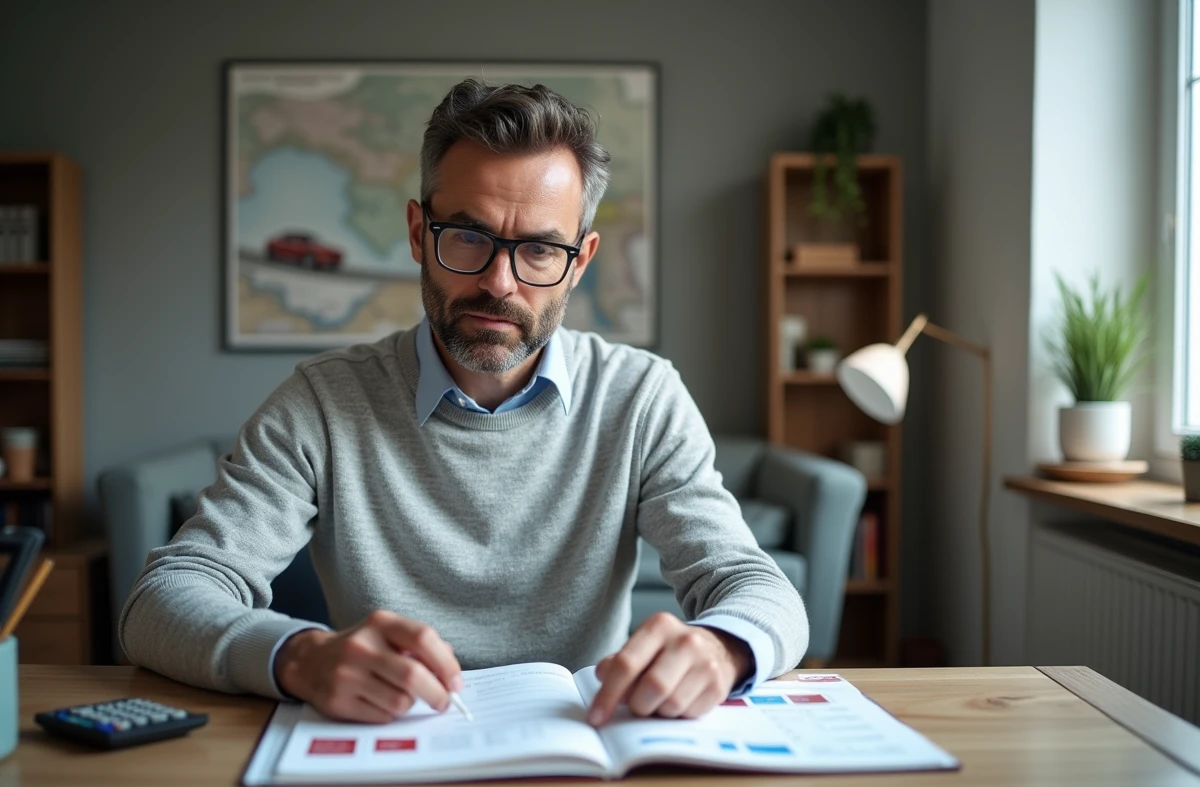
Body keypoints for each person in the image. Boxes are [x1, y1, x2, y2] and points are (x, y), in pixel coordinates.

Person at [120, 78, 808, 727]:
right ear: (420, 233)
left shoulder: (641, 397)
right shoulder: (322, 403)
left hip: (579, 748)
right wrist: (297, 655)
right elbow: (162, 600)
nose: (499, 283)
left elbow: (756, 586)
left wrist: (723, 648)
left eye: (540, 250)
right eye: (469, 238)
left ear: (582, 259)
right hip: (383, 749)